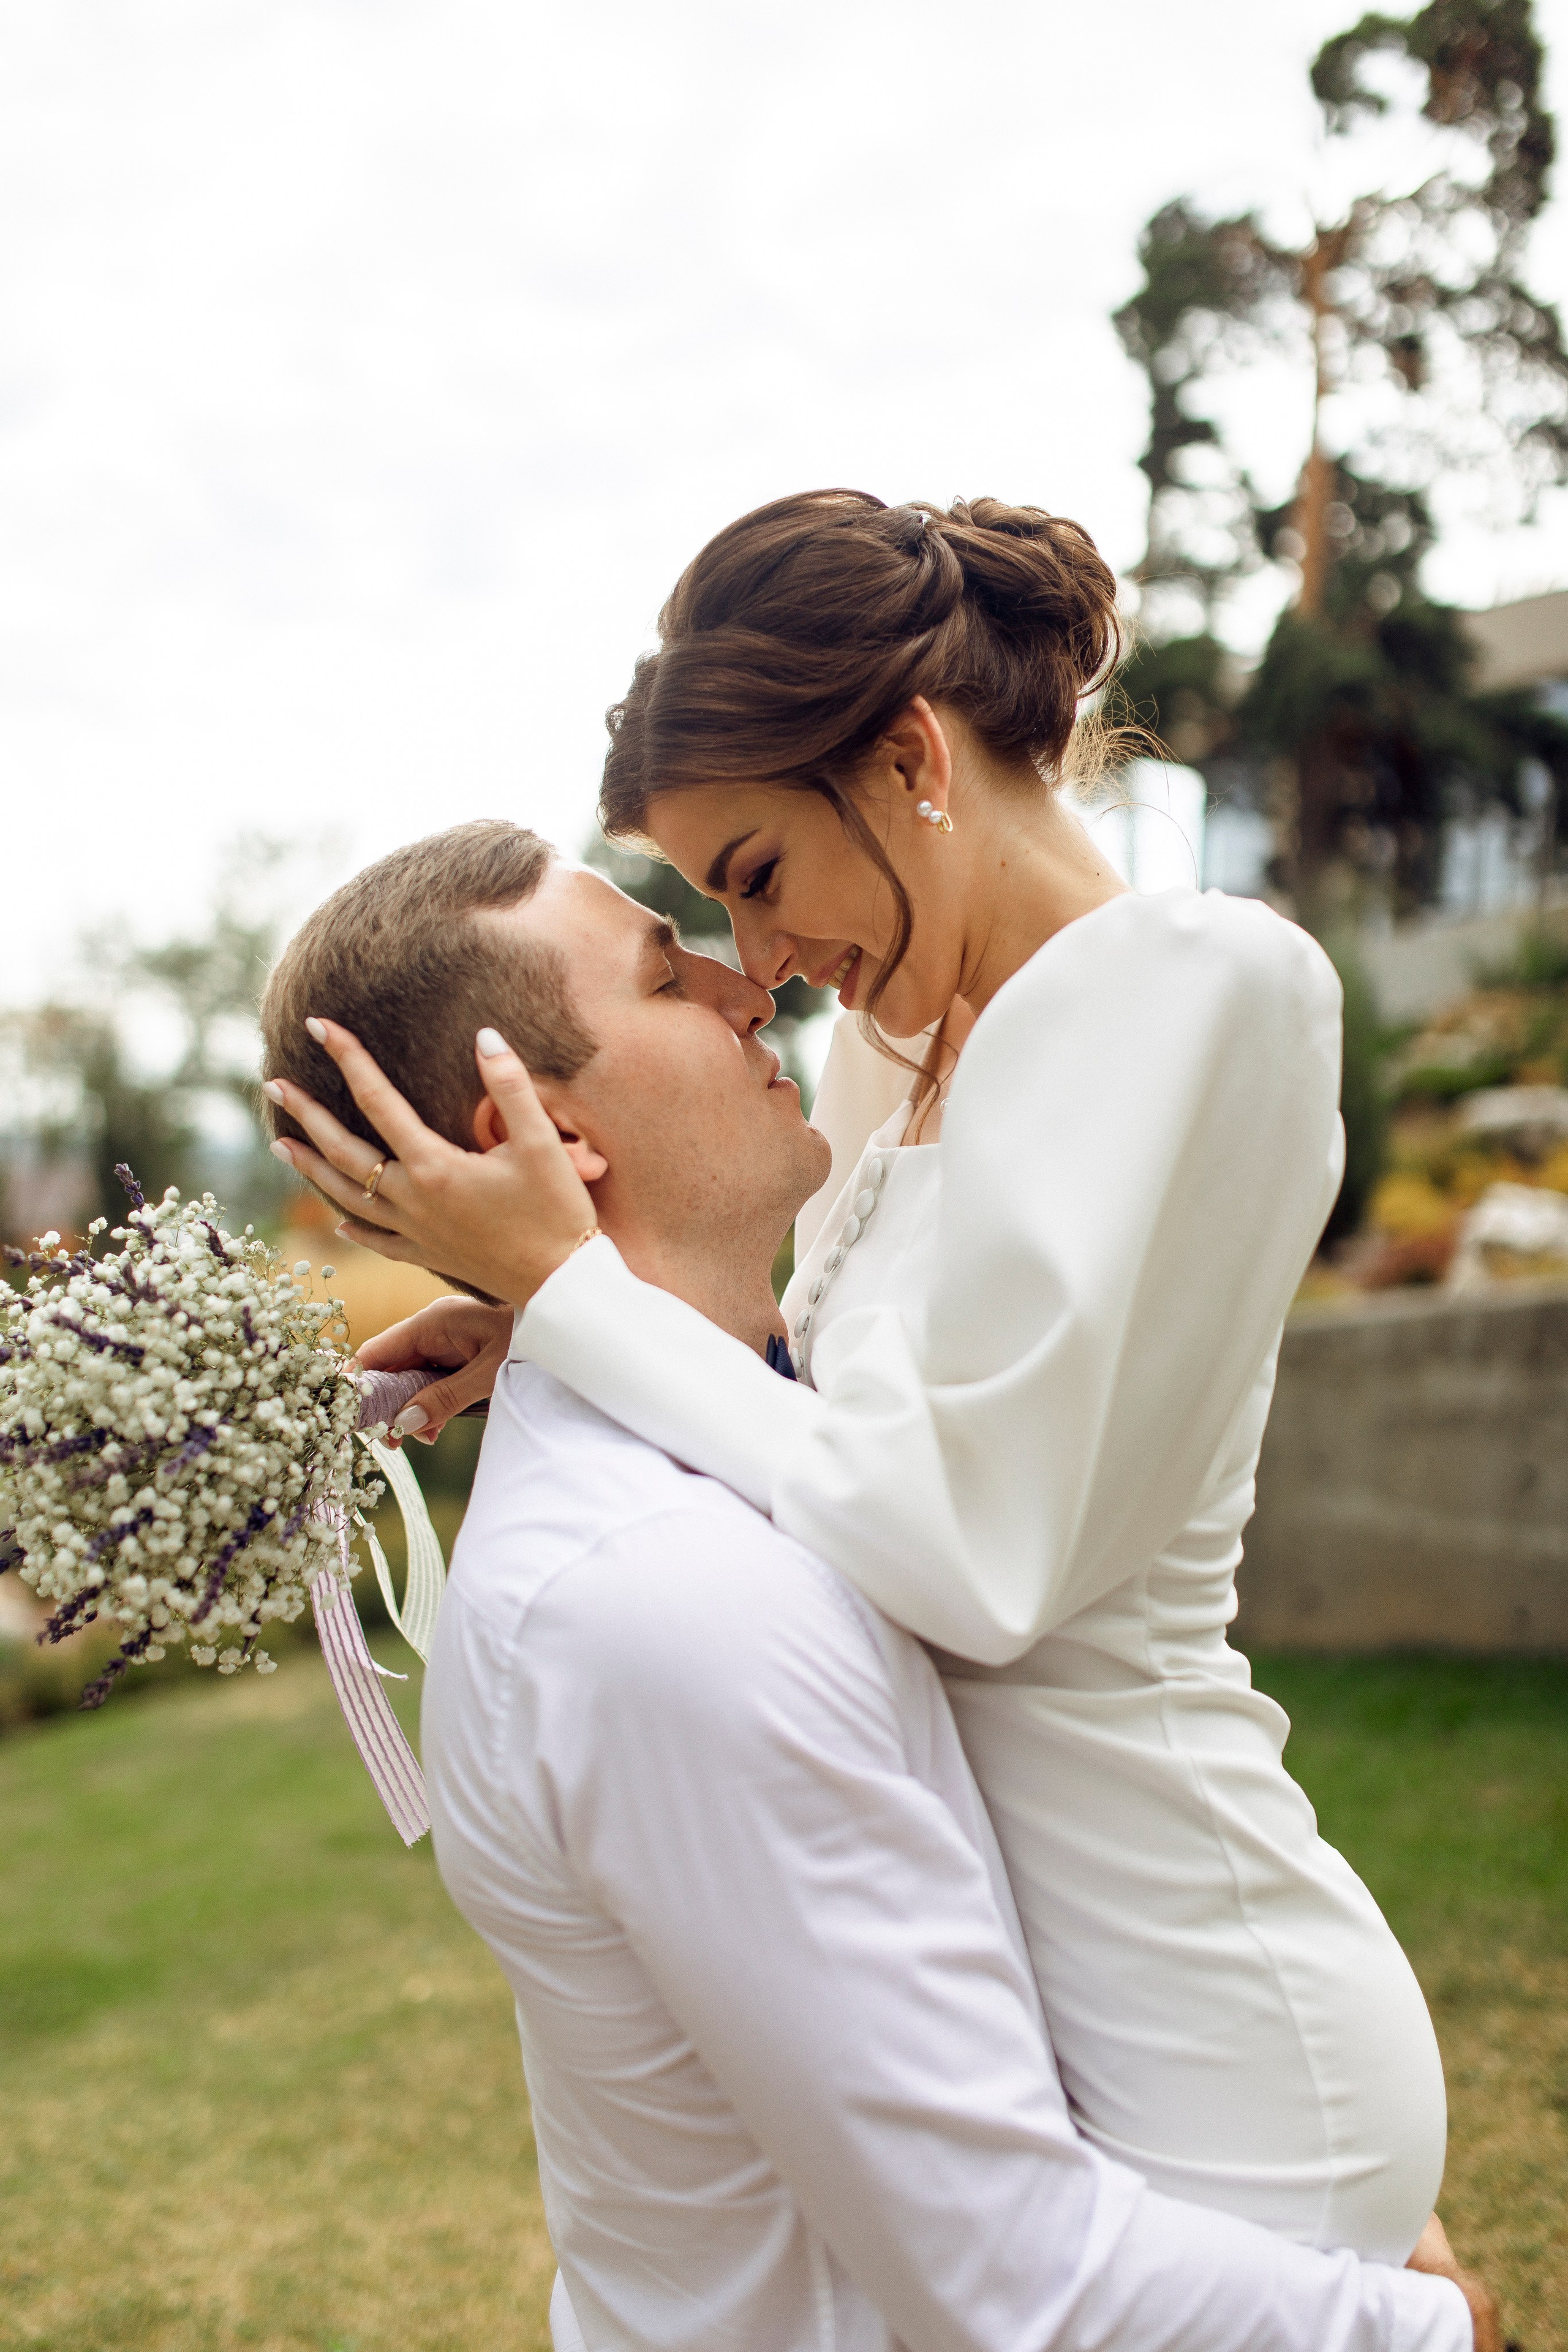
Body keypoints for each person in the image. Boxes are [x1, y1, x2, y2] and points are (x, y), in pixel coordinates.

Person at [270, 496, 1442, 2255]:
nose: (762, 961)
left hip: (1200, 2005)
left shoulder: (1206, 990)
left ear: (910, 758)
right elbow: (851, 1424)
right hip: (1005, 2009)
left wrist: (592, 1304)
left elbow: (974, 1561)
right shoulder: (888, 1065)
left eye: (753, 878)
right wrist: (558, 1328)